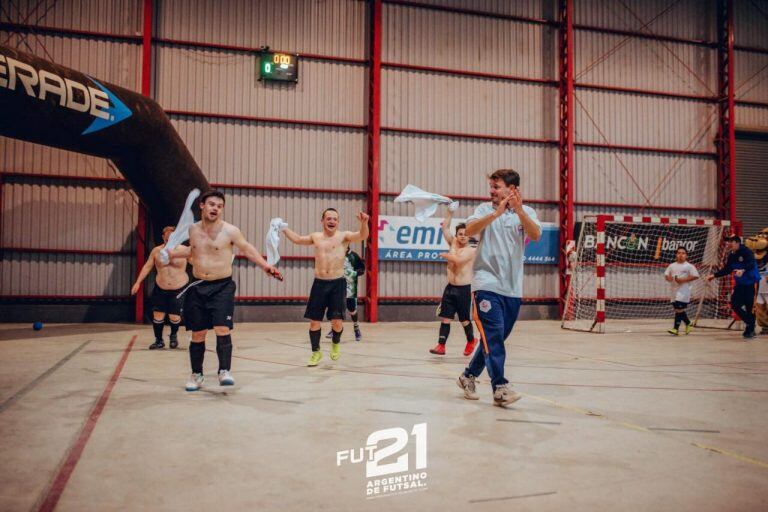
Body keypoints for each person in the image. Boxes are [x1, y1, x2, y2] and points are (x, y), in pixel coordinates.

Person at [162, 190, 281, 391]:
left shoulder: (230, 231)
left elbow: (247, 248)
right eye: (211, 204)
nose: (215, 208)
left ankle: (224, 370)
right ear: (202, 206)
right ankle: (197, 374)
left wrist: (265, 265)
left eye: (219, 206)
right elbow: (191, 251)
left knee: (222, 329)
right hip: (198, 286)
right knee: (198, 334)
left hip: (222, 287)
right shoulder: (191, 229)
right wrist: (170, 254)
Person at [455, 169, 541, 407]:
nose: (491, 191)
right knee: (493, 337)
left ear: (512, 189)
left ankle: (468, 376)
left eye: (497, 186)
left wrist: (520, 210)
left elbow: (535, 235)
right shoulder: (484, 210)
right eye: (491, 187)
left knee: (494, 340)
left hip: (512, 289)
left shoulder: (528, 213)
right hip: (486, 284)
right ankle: (500, 387)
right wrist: (496, 213)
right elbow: (470, 231)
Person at [283, 208, 369, 366]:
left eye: (335, 219)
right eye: (328, 218)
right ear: (322, 221)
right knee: (314, 322)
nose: (332, 221)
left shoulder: (344, 237)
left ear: (338, 222)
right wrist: (283, 228)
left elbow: (362, 235)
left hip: (338, 283)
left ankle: (335, 345)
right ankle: (316, 352)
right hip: (319, 283)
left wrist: (364, 223)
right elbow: (297, 239)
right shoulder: (316, 237)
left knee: (337, 322)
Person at [429, 206, 478, 356]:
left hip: (464, 290)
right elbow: (445, 229)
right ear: (456, 235)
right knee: (446, 317)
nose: (463, 236)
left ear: (469, 236)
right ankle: (441, 346)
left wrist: (444, 255)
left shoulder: (471, 250)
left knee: (464, 319)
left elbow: (457, 261)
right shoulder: (453, 243)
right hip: (450, 288)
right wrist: (449, 212)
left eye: (466, 234)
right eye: (460, 234)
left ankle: (471, 340)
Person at [130, 226, 189, 350]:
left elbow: (197, 262)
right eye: (167, 237)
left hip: (179, 288)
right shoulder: (156, 251)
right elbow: (147, 266)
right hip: (160, 287)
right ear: (163, 237)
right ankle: (159, 341)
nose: (169, 239)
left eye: (172, 236)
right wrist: (138, 282)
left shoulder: (184, 250)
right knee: (158, 315)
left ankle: (173, 336)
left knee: (174, 316)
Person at [705, 234, 760, 339]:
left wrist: (743, 270)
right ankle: (750, 323)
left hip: (751, 283)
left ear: (737, 242)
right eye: (728, 241)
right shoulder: (731, 255)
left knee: (750, 307)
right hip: (740, 284)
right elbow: (727, 269)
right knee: (734, 304)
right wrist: (714, 275)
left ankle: (750, 330)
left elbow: (751, 264)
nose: (729, 244)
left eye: (731, 242)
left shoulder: (746, 252)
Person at [326, 246, 365, 342]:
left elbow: (362, 269)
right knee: (336, 309)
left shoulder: (353, 256)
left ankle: (356, 328)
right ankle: (334, 329)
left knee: (352, 310)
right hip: (338, 286)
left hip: (350, 288)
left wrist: (354, 273)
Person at [663, 247, 700, 335]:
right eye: (679, 253)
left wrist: (683, 280)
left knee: (679, 310)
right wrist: (669, 278)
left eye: (683, 253)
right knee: (678, 310)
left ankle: (675, 329)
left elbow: (696, 276)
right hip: (674, 291)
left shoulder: (689, 266)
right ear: (676, 254)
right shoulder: (672, 265)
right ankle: (688, 323)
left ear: (686, 255)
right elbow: (666, 275)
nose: (681, 255)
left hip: (684, 291)